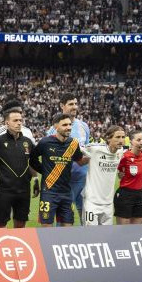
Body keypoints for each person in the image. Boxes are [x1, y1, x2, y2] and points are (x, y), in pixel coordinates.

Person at [0, 109, 39, 228]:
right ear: (7, 123)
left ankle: (18, 247)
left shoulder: (27, 142)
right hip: (4, 191)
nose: (19, 123)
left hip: (24, 191)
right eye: (15, 120)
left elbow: (33, 162)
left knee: (21, 225)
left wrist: (36, 179)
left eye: (20, 120)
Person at [30, 113, 82, 227]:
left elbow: (79, 159)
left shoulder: (73, 144)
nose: (68, 127)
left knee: (68, 227)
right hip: (49, 192)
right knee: (47, 228)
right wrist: (44, 170)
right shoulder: (45, 142)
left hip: (67, 192)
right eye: (64, 125)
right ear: (55, 127)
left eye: (69, 124)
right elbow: (32, 159)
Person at [47, 94, 90, 226]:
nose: (75, 107)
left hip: (83, 179)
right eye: (71, 104)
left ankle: (87, 243)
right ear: (62, 106)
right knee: (63, 218)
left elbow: (87, 150)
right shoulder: (54, 130)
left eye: (76, 104)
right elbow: (51, 157)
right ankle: (60, 244)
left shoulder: (84, 126)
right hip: (64, 181)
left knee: (87, 217)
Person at [79, 125, 126, 226]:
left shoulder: (121, 151)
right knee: (90, 234)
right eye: (117, 137)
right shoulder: (95, 149)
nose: (121, 140)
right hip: (91, 201)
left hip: (108, 203)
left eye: (123, 137)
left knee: (105, 235)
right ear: (108, 138)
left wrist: (120, 173)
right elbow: (76, 147)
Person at [115, 129, 142, 225]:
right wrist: (119, 174)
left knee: (137, 231)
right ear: (131, 141)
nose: (141, 142)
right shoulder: (124, 156)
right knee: (123, 231)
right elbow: (118, 172)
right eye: (138, 140)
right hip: (125, 194)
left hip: (139, 194)